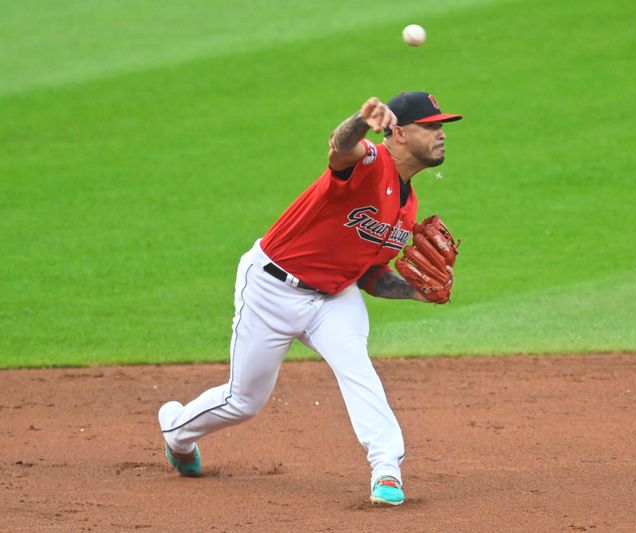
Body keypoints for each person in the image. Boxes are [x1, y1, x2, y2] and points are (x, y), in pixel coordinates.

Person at [157, 91, 463, 506]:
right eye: (431, 126)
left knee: (358, 368)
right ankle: (177, 430)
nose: (440, 133)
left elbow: (370, 274)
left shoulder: (409, 208)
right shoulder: (371, 162)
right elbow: (340, 147)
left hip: (334, 298)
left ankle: (387, 470)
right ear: (399, 133)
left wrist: (416, 293)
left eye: (441, 125)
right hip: (271, 287)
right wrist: (360, 118)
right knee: (244, 401)